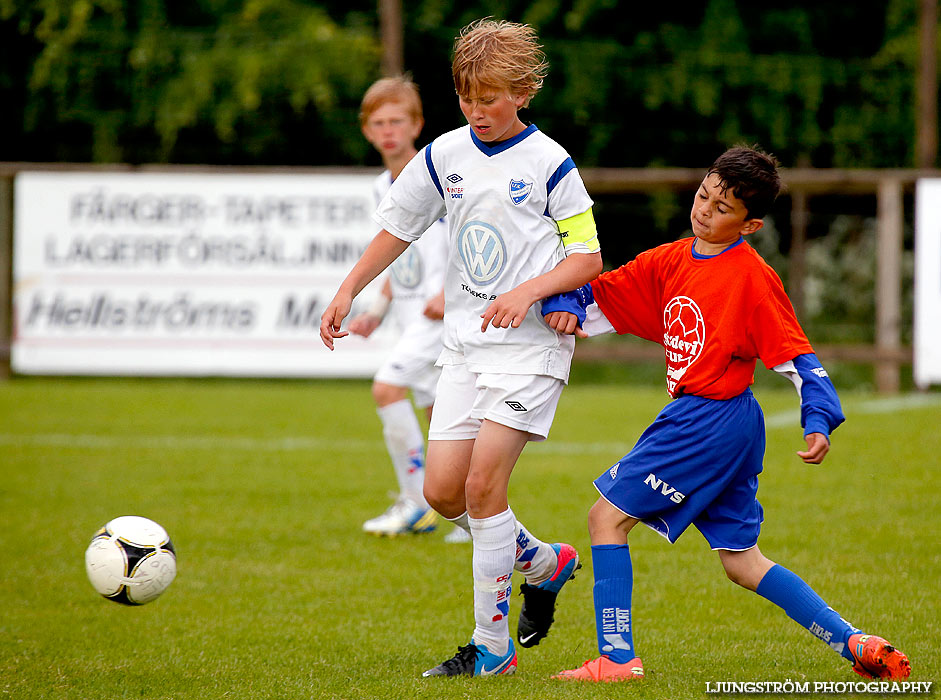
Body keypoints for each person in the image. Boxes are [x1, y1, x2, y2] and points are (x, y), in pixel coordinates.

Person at [539, 146, 911, 682]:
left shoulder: (752, 278)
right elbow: (606, 292)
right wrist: (565, 303)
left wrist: (818, 416)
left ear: (751, 223)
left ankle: (617, 658)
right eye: (703, 196)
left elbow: (796, 354)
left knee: (605, 519)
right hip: (729, 422)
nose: (705, 210)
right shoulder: (671, 259)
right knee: (742, 561)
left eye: (722, 207)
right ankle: (855, 642)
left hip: (706, 419)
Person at [320, 18, 603, 677]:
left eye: (491, 99)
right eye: (466, 98)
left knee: (481, 487)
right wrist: (348, 290)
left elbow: (587, 255)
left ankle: (491, 647)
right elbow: (397, 228)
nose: (477, 112)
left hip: (530, 352)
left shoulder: (549, 163)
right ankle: (544, 561)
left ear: (524, 92)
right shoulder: (443, 154)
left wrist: (530, 292)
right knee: (443, 495)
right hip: (465, 349)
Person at [350, 75, 470, 543]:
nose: (388, 131)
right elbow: (395, 252)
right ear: (367, 130)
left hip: (438, 315)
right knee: (441, 413)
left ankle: (415, 504)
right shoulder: (381, 185)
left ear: (417, 124)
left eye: (397, 121)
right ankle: (471, 515)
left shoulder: (434, 177)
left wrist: (451, 290)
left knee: (387, 389)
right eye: (378, 123)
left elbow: (466, 237)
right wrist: (377, 311)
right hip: (408, 316)